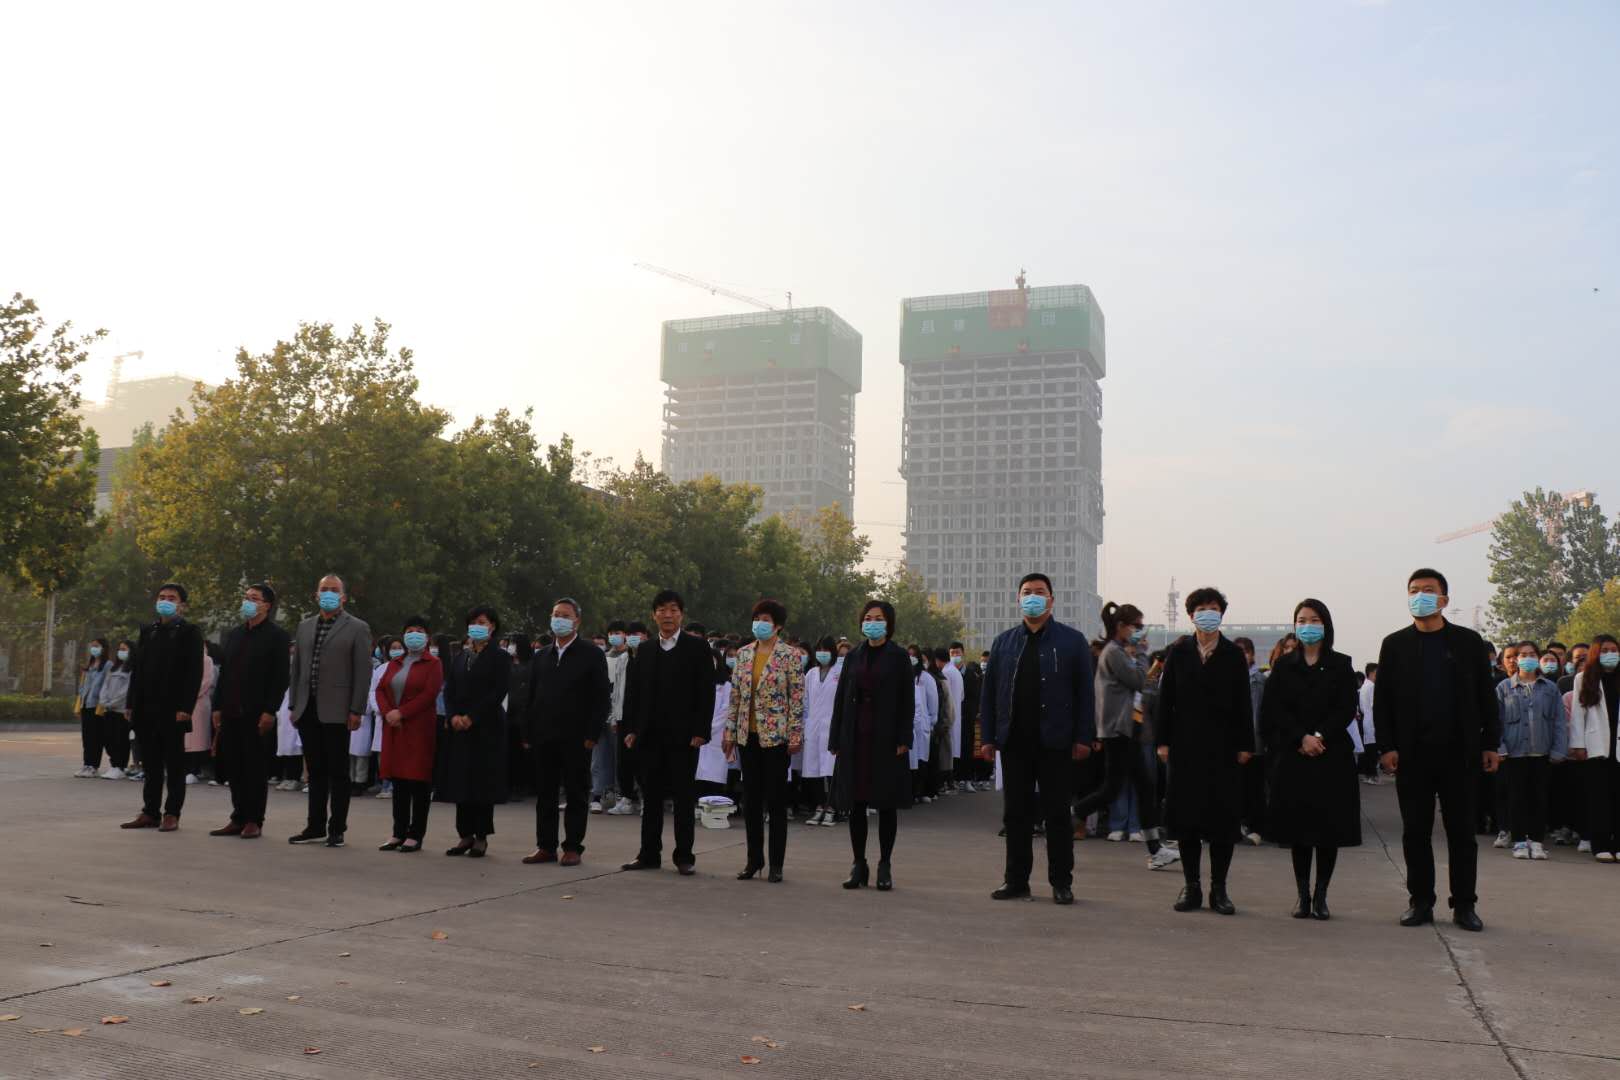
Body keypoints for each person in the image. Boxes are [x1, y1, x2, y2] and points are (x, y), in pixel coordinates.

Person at [1375, 568, 1501, 932]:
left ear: (1444, 599)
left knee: (1462, 833)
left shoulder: (1467, 642)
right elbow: (1383, 702)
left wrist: (1490, 743)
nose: (1420, 596)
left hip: (1460, 753)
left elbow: (1485, 696)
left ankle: (1464, 904)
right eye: (1413, 590)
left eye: (1428, 590)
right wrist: (1386, 746)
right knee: (1415, 832)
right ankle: (1420, 901)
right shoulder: (1394, 644)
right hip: (1412, 754)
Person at [979, 573, 1095, 906]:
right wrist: (988, 737)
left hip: (1056, 741)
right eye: (1027, 592)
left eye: (1039, 592)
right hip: (1014, 741)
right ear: (1018, 599)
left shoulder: (1072, 641)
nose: (1033, 597)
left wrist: (1083, 736)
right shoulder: (1004, 643)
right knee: (1016, 814)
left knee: (1057, 814)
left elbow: (1085, 695)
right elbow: (989, 695)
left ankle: (1061, 882)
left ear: (1051, 600)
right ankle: (1016, 880)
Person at [1156, 586, 1254, 915]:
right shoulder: (1179, 652)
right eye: (1201, 609)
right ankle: (1192, 886)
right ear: (1191, 615)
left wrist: (1245, 744)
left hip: (1224, 748)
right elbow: (1165, 700)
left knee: (1222, 821)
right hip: (1185, 746)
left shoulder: (1233, 654)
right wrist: (1162, 741)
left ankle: (1219, 889)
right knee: (1186, 819)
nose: (1207, 614)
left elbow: (1243, 703)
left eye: (1213, 608)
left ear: (1221, 614)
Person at [1261, 599, 1361, 919]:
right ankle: (1302, 895)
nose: (1308, 625)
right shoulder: (1284, 666)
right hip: (1295, 755)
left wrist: (1319, 735)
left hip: (1331, 755)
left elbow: (1345, 708)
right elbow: (1275, 709)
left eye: (1314, 619)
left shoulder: (1341, 664)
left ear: (1325, 624)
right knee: (1299, 830)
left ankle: (1321, 896)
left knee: (1328, 829)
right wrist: (1300, 737)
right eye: (1302, 620)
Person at [1074, 602, 1179, 870]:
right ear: (1121, 626)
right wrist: (1143, 653)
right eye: (1137, 626)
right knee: (1116, 788)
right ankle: (1071, 814)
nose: (1140, 631)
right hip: (1118, 730)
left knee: (1141, 787)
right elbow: (1139, 681)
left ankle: (1155, 849)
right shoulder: (1114, 652)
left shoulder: (1119, 651)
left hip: (1127, 729)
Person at [622, 590, 716, 876]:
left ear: (681, 615)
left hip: (684, 736)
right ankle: (648, 854)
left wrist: (701, 730)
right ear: (654, 615)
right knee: (650, 797)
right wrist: (632, 728)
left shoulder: (697, 648)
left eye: (673, 610)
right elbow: (634, 693)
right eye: (662, 610)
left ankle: (684, 856)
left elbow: (706, 692)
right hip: (650, 735)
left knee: (683, 798)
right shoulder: (645, 650)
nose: (667, 615)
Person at [829, 600, 913, 890]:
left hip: (886, 738)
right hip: (855, 736)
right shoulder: (853, 655)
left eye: (878, 618)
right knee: (856, 803)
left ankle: (884, 864)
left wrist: (904, 738)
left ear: (888, 623)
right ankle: (858, 863)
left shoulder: (899, 657)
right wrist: (835, 737)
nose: (872, 623)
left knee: (886, 804)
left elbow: (907, 700)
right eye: (868, 618)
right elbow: (841, 697)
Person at [286, 575, 374, 849]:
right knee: (315, 771)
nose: (328, 594)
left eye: (334, 590)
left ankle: (337, 828)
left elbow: (363, 672)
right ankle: (314, 826)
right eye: (324, 589)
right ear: (316, 595)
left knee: (338, 771)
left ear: (343, 597)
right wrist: (294, 704)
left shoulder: (357, 628)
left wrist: (356, 709)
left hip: (338, 708)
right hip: (307, 707)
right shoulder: (305, 626)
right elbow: (297, 669)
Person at [523, 598, 611, 867]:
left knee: (576, 792)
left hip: (577, 737)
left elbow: (601, 698)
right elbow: (531, 696)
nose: (559, 620)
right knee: (545, 794)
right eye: (555, 614)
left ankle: (572, 847)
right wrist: (528, 731)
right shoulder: (541, 656)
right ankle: (545, 846)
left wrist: (592, 733)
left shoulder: (591, 654)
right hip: (544, 735)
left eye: (565, 615)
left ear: (577, 621)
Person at [723, 599, 805, 882]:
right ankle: (753, 859)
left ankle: (776, 864)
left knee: (776, 801)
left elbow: (797, 699)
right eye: (757, 618)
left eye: (766, 619)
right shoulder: (744, 654)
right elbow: (735, 697)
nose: (760, 624)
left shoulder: (790, 656)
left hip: (776, 739)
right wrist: (729, 733)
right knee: (751, 800)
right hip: (748, 736)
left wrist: (795, 735)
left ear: (778, 625)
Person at [206, 583, 291, 840]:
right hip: (230, 710)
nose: (248, 602)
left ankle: (254, 819)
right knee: (234, 766)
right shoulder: (235, 634)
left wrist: (270, 710)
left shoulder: (277, 636)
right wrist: (217, 706)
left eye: (254, 598)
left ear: (267, 605)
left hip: (256, 712)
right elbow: (225, 673)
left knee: (254, 768)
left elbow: (280, 677)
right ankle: (238, 817)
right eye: (246, 597)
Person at [121, 583, 205, 832]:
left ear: (182, 605)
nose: (165, 601)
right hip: (146, 707)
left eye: (171, 598)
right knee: (151, 764)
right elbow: (137, 670)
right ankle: (150, 812)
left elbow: (194, 673)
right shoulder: (148, 631)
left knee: (175, 764)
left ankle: (172, 813)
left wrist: (186, 707)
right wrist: (130, 703)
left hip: (174, 709)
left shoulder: (190, 632)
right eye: (162, 597)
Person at [441, 605, 512, 857]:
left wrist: (473, 717)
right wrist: (453, 715)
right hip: (460, 727)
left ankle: (481, 836)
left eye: (482, 622)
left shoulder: (500, 657)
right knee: (462, 782)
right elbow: (449, 689)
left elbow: (498, 691)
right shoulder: (461, 656)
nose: (477, 626)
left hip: (486, 727)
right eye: (473, 622)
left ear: (492, 626)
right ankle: (465, 835)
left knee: (483, 782)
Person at [376, 617, 443, 852]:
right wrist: (388, 712)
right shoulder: (396, 662)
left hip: (418, 728)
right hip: (394, 728)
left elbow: (429, 694)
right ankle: (398, 832)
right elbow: (380, 689)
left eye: (419, 630)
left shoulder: (433, 663)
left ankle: (415, 834)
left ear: (427, 636)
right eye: (410, 630)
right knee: (399, 781)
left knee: (418, 781)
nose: (414, 634)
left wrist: (402, 712)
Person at [1496, 642, 1567, 861]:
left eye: (1532, 654)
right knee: (1516, 799)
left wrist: (1559, 749)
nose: (1527, 658)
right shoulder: (1504, 687)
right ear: (1516, 659)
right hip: (1514, 753)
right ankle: (1519, 841)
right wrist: (1500, 747)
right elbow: (1496, 721)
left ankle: (1536, 842)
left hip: (1541, 752)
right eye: (1523, 655)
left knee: (1539, 798)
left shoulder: (1550, 688)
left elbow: (1559, 721)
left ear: (1538, 658)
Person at [1570, 635, 1620, 861]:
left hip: (1618, 746)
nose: (1611, 654)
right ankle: (1600, 845)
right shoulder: (1583, 678)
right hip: (1596, 746)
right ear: (1596, 653)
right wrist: (1578, 744)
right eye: (1605, 650)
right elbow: (1578, 714)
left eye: (1614, 650)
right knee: (1599, 799)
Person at [607, 621, 650, 817]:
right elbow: (617, 690)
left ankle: (646, 798)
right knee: (624, 761)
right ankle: (626, 798)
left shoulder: (652, 657)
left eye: (638, 634)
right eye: (631, 634)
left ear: (646, 636)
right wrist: (614, 717)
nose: (634, 638)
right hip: (624, 716)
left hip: (644, 718)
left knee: (643, 760)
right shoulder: (624, 659)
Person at [800, 635, 841, 826]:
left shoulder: (839, 673)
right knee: (813, 770)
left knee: (831, 770)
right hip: (813, 727)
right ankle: (819, 806)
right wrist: (804, 725)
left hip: (831, 726)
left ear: (833, 653)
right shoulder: (810, 674)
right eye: (819, 650)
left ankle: (832, 808)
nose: (822, 653)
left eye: (826, 650)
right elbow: (805, 702)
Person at [593, 619, 631, 812]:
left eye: (618, 632)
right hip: (602, 710)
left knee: (619, 756)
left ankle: (620, 793)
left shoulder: (630, 657)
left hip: (619, 713)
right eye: (611, 633)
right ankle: (598, 793)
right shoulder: (603, 657)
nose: (614, 636)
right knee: (599, 756)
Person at [1234, 636, 1269, 845]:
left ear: (1252, 654)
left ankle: (1256, 829)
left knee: (1254, 789)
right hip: (1237, 744)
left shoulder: (1257, 680)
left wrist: (1249, 745)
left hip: (1252, 745)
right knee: (1240, 788)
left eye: (1244, 652)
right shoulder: (1231, 677)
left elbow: (1256, 716)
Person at [98, 641, 135, 780]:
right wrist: (104, 701)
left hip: (121, 710)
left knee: (121, 739)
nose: (121, 652)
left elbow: (127, 691)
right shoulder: (113, 668)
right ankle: (113, 765)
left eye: (124, 649)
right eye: (119, 649)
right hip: (108, 709)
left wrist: (113, 703)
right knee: (108, 738)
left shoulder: (132, 669)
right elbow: (105, 686)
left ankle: (120, 766)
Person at [906, 645, 939, 802]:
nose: (911, 658)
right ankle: (909, 793)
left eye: (914, 655)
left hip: (922, 725)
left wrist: (931, 721)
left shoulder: (926, 678)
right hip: (908, 726)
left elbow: (933, 702)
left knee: (921, 760)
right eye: (909, 655)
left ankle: (920, 792)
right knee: (909, 761)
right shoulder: (903, 676)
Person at [75, 640, 111, 778]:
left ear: (104, 648)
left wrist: (103, 702)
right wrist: (80, 702)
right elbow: (83, 685)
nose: (94, 648)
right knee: (87, 737)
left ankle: (93, 766)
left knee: (96, 737)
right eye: (92, 646)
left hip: (97, 706)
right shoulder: (89, 665)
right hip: (86, 703)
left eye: (97, 646)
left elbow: (107, 685)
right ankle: (86, 764)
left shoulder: (108, 665)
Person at [1358, 664, 1381, 784]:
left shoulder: (1364, 686)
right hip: (1372, 720)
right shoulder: (1372, 686)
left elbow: (1362, 708)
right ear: (1372, 673)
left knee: (1368, 748)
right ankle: (1372, 776)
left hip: (1366, 719)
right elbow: (1375, 705)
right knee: (1372, 750)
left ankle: (1367, 775)